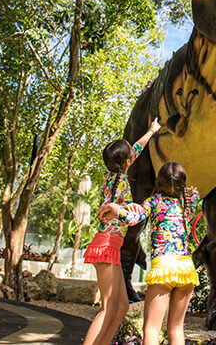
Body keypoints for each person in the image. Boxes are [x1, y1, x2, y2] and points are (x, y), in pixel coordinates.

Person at [99, 162, 200, 345]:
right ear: (181, 185)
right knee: (176, 329)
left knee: (151, 329)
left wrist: (116, 210)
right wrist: (192, 192)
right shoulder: (186, 203)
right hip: (186, 269)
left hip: (164, 269)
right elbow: (195, 196)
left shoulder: (154, 201)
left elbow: (132, 219)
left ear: (159, 182)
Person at [82, 117, 162, 345]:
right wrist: (122, 209)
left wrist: (151, 131)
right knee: (108, 308)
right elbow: (114, 207)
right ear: (126, 162)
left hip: (111, 245)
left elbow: (134, 150)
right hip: (106, 244)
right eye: (129, 154)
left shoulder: (116, 178)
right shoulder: (119, 183)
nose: (132, 154)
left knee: (121, 307)